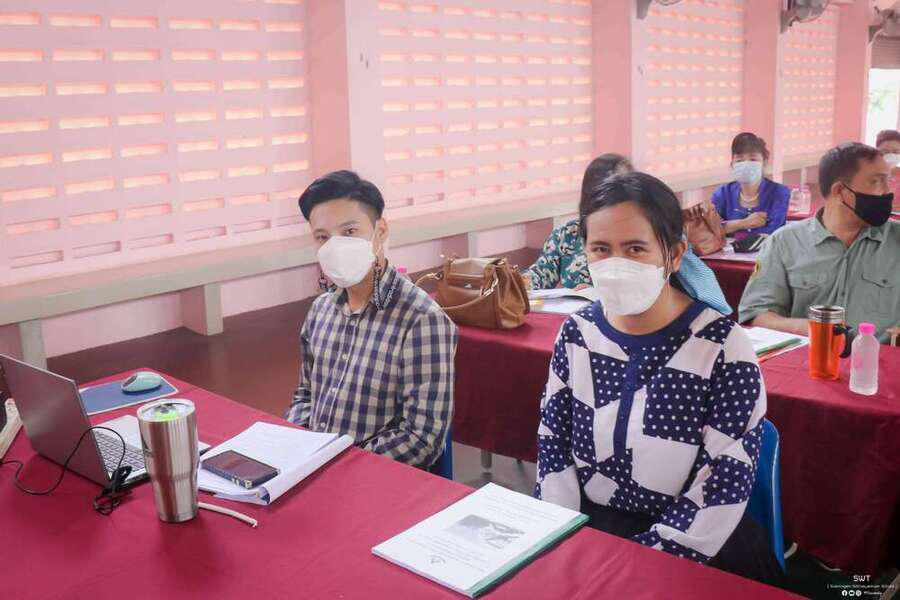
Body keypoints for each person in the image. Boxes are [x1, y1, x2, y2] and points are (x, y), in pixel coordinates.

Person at [536, 172, 780, 583]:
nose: (616, 265)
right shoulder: (577, 333)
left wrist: (639, 564)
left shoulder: (723, 347)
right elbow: (553, 445)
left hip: (696, 541)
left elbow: (722, 483)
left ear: (675, 254)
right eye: (601, 249)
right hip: (591, 532)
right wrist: (560, 537)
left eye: (635, 248)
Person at [285, 170, 457, 467]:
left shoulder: (422, 320)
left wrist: (339, 465)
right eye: (322, 237)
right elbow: (305, 396)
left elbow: (421, 438)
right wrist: (297, 446)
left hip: (370, 479)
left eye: (350, 232)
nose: (335, 247)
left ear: (381, 230)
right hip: (310, 468)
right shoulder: (320, 310)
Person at [525, 154, 733, 315]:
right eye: (600, 249)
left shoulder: (659, 235)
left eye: (634, 249)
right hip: (579, 320)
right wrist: (517, 283)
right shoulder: (567, 234)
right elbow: (539, 276)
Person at [739, 143, 900, 344]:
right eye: (876, 182)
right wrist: (814, 330)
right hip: (809, 358)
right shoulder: (784, 242)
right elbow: (757, 315)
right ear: (840, 191)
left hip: (881, 359)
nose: (888, 192)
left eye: (888, 181)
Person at [711, 133, 790, 240]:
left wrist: (729, 227)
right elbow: (709, 229)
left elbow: (774, 231)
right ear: (732, 164)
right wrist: (743, 223)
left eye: (753, 159)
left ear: (764, 162)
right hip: (725, 250)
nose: (746, 164)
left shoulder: (779, 192)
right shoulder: (722, 193)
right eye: (739, 160)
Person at [875, 129, 900, 209]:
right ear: (877, 152)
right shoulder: (868, 175)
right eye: (885, 152)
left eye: (895, 152)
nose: (891, 155)